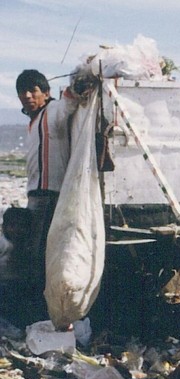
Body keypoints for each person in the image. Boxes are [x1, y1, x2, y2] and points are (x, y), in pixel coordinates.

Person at [16, 69, 92, 315]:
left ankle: (42, 310)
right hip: (36, 196)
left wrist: (81, 81)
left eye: (33, 90)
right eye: (22, 91)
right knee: (35, 254)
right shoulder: (34, 120)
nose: (27, 95)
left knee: (42, 255)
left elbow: (70, 101)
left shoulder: (54, 111)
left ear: (46, 93)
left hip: (51, 196)